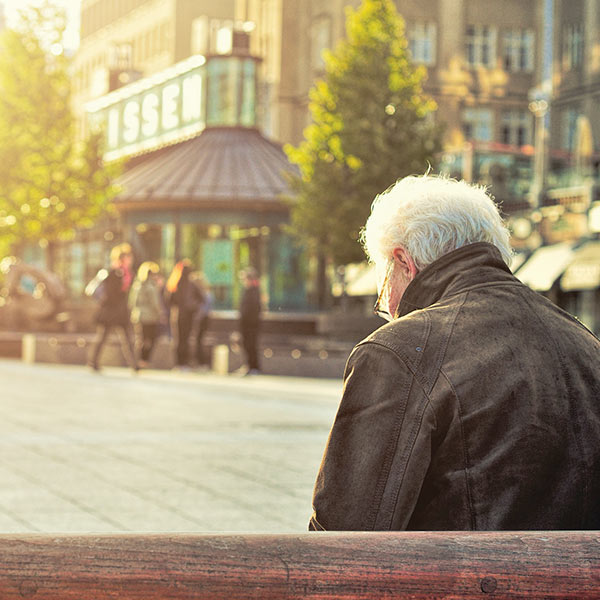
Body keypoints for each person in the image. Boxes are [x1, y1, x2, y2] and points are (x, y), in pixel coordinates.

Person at [310, 174, 600, 531]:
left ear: (404, 262)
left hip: (459, 585)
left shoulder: (399, 351)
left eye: (383, 283)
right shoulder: (586, 344)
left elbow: (345, 534)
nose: (386, 304)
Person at [90, 243, 138, 372]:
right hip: (111, 311)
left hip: (121, 312)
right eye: (128, 257)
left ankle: (134, 364)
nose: (130, 260)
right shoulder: (114, 273)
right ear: (122, 258)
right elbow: (111, 293)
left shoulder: (127, 274)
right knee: (103, 337)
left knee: (128, 338)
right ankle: (93, 362)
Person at [167, 260, 205, 368]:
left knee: (181, 339)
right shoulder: (183, 283)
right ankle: (182, 362)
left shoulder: (176, 283)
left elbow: (169, 300)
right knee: (184, 339)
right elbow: (202, 298)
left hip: (181, 315)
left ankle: (181, 362)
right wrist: (193, 306)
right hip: (185, 315)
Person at [129, 261, 165, 368]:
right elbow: (156, 303)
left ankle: (138, 360)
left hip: (138, 316)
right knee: (150, 339)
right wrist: (161, 313)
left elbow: (131, 302)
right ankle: (144, 360)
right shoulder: (151, 286)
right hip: (150, 317)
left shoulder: (137, 285)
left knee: (141, 338)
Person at [238, 267, 261, 375]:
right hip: (246, 323)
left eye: (245, 279)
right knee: (247, 344)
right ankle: (249, 365)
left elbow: (254, 309)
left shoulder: (254, 291)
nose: (244, 281)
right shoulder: (248, 291)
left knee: (251, 345)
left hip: (251, 324)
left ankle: (253, 367)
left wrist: (248, 320)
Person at [191, 271, 213, 369]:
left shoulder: (204, 294)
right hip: (203, 318)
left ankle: (202, 362)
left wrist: (196, 317)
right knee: (198, 340)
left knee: (199, 340)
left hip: (202, 319)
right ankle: (200, 361)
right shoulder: (206, 293)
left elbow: (204, 308)